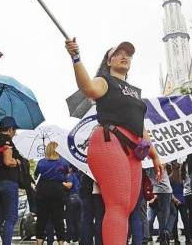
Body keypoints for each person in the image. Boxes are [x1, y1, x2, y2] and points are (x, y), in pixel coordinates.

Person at [65, 39, 162, 245]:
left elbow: (140, 126)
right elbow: (88, 88)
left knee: (127, 207)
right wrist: (76, 58)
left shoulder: (135, 91)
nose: (124, 56)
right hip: (109, 141)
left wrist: (155, 155)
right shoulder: (104, 80)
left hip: (134, 150)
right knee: (117, 205)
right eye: (118, 53)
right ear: (109, 61)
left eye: (128, 54)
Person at [0, 116, 22, 245]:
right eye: (14, 130)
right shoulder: (7, 141)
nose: (15, 133)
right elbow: (7, 161)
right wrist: (18, 162)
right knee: (11, 217)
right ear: (10, 129)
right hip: (8, 182)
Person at [34, 141, 71, 245]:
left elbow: (36, 176)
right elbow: (66, 176)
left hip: (43, 189)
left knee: (41, 219)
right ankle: (60, 242)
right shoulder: (63, 163)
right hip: (57, 190)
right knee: (58, 219)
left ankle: (39, 242)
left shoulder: (41, 162)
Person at [146, 165, 173, 245]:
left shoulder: (147, 160)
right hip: (165, 191)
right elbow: (169, 171)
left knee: (154, 214)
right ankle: (164, 236)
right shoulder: (163, 159)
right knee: (165, 216)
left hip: (153, 190)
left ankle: (149, 235)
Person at [65, 165, 82, 243]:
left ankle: (69, 239)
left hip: (71, 199)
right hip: (79, 198)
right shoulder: (77, 175)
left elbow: (69, 185)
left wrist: (61, 183)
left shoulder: (70, 175)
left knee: (69, 220)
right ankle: (77, 238)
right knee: (77, 220)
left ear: (70, 169)